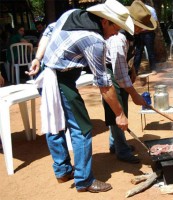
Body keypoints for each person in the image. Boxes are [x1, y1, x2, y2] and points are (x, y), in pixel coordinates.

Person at [26, 0, 135, 193]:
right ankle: (84, 180)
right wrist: (120, 114)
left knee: (55, 122)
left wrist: (38, 57)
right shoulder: (95, 41)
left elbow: (49, 31)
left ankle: (63, 170)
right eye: (116, 28)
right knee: (82, 128)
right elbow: (104, 84)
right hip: (60, 79)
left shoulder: (73, 13)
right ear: (105, 22)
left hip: (46, 71)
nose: (116, 33)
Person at [103, 0, 156, 164]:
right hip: (111, 74)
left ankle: (116, 144)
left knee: (119, 109)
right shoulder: (118, 39)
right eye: (139, 26)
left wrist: (132, 70)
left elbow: (127, 60)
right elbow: (119, 74)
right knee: (118, 110)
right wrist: (135, 95)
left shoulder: (132, 34)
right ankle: (122, 151)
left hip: (121, 70)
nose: (141, 30)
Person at [133, 0, 158, 75]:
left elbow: (155, 22)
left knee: (150, 51)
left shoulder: (150, 9)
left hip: (148, 33)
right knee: (138, 52)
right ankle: (135, 71)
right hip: (138, 34)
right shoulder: (134, 10)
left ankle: (153, 69)